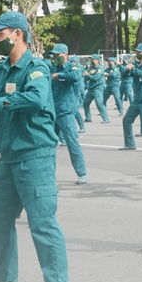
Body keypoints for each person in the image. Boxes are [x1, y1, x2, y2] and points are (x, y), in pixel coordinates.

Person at [0, 11, 73, 282]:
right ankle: (5, 277)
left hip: (35, 155)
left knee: (42, 223)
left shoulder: (36, 68)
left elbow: (37, 100)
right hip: (9, 157)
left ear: (17, 33)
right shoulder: (1, 71)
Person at [50, 44, 87, 184]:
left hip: (66, 111)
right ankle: (48, 174)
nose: (55, 58)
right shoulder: (53, 68)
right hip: (53, 110)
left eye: (57, 55)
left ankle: (81, 173)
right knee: (48, 143)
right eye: (54, 55)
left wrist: (58, 76)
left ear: (65, 54)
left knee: (72, 143)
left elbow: (76, 76)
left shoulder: (72, 67)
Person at [83, 53, 110, 123]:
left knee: (99, 103)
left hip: (98, 88)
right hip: (91, 88)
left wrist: (88, 75)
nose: (92, 61)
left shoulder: (100, 68)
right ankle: (88, 118)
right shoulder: (90, 68)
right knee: (85, 103)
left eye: (93, 59)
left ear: (97, 60)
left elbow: (95, 78)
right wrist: (86, 76)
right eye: (91, 59)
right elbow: (86, 78)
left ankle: (106, 118)